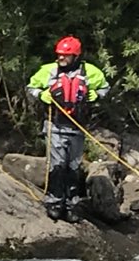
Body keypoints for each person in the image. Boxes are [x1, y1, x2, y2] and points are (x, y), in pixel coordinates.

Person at [27, 35, 110, 222]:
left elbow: (105, 88)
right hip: (55, 126)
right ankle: (54, 202)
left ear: (76, 56)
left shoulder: (91, 73)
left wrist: (95, 95)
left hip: (78, 128)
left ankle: (72, 205)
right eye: (59, 55)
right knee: (58, 165)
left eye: (66, 55)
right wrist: (42, 95)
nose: (61, 58)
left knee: (73, 166)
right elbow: (31, 87)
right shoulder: (48, 71)